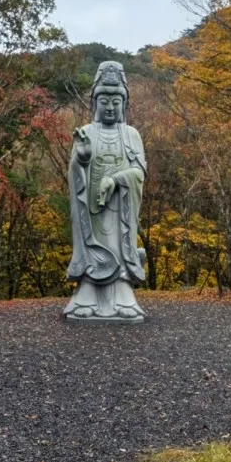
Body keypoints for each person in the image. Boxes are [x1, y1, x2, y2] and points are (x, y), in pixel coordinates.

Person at [63, 61, 147, 322]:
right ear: (94, 103)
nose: (110, 107)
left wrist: (116, 180)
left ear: (124, 105)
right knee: (93, 246)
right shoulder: (87, 132)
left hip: (120, 209)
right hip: (92, 208)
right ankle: (86, 294)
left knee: (118, 247)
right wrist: (82, 159)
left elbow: (139, 173)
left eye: (116, 101)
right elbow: (75, 173)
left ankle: (123, 295)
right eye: (104, 101)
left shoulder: (131, 134)